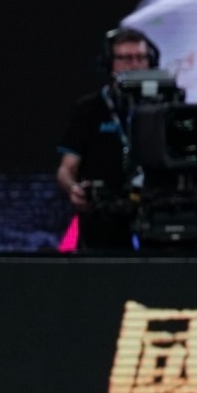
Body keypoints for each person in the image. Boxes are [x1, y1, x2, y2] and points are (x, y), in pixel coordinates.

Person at [55, 27, 158, 252]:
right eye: (126, 59)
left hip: (156, 215)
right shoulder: (88, 109)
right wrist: (74, 189)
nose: (135, 65)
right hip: (103, 219)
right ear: (109, 64)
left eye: (141, 58)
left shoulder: (165, 106)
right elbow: (66, 168)